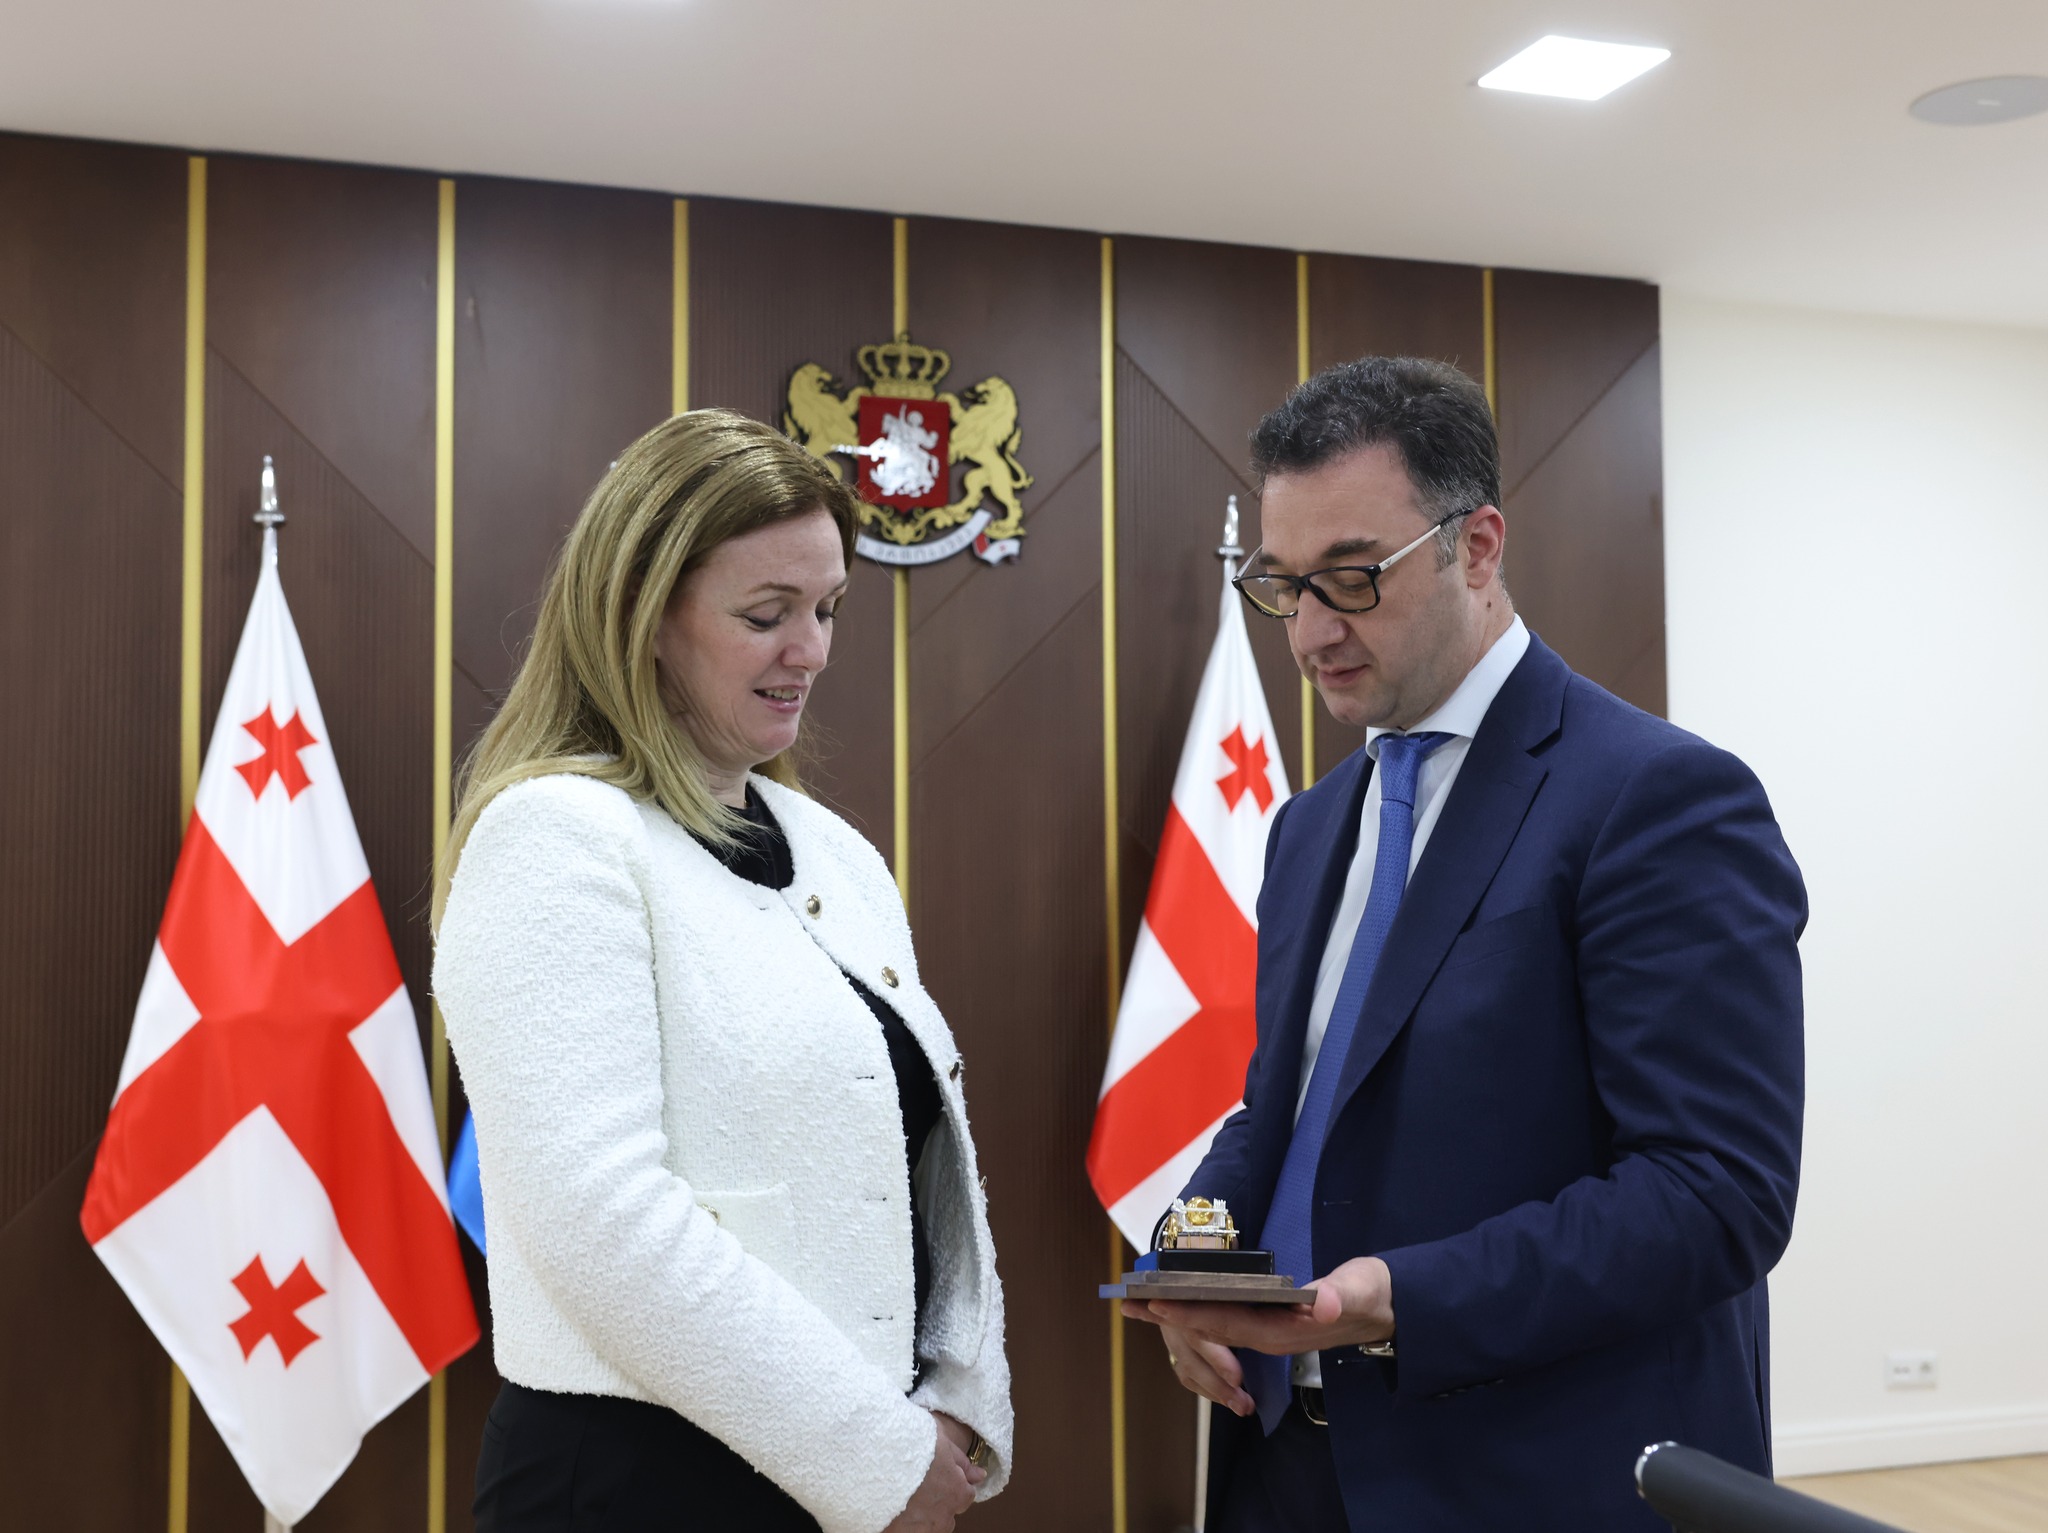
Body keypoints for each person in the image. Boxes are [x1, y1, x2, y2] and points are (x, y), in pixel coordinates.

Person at [1123, 357, 1805, 1531]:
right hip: (1284, 1466)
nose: (1310, 632)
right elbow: (1288, 1111)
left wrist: (1403, 1296)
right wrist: (1191, 1262)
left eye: (1351, 578)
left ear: (1475, 547)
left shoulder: (1656, 798)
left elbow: (1712, 1194)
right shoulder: (1307, 828)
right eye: (1283, 586)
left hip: (1531, 1478)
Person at [434, 410, 1012, 1533]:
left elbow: (915, 1172)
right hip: (637, 1481)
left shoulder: (838, 854)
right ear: (643, 613)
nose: (813, 649)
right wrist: (871, 1456)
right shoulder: (553, 836)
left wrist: (950, 1397)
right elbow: (599, 1223)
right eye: (766, 614)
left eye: (827, 608)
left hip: (845, 1465)